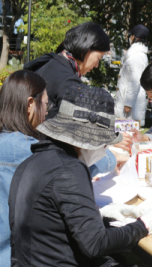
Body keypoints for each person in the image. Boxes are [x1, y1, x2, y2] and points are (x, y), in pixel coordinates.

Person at [8, 84, 152, 267]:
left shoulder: (32, 162)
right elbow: (95, 244)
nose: (104, 148)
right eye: (104, 143)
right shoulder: (69, 169)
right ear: (87, 141)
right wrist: (143, 226)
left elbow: (51, 219)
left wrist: (100, 214)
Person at [24, 22, 131, 176]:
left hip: (35, 146)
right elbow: (78, 133)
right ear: (87, 49)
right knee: (103, 161)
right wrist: (108, 141)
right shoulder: (67, 80)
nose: (96, 65)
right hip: (44, 154)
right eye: (98, 57)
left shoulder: (54, 62)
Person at [0, 71, 47, 267]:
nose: (46, 112)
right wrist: (109, 157)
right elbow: (67, 168)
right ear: (29, 104)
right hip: (18, 265)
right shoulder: (24, 148)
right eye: (45, 104)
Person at [114, 24, 150, 126]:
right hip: (128, 101)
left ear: (135, 37)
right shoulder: (136, 53)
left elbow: (135, 80)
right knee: (125, 135)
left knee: (128, 135)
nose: (130, 38)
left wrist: (128, 104)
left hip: (130, 104)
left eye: (131, 35)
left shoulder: (137, 55)